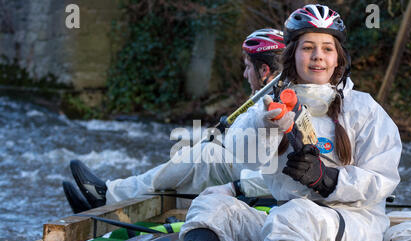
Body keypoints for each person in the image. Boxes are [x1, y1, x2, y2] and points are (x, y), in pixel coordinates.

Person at [110, 4, 402, 241]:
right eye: (308, 48)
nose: (317, 57)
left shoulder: (365, 110)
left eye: (327, 48)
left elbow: (384, 178)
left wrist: (328, 179)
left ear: (338, 57)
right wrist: (267, 126)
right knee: (215, 203)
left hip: (353, 227)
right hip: (288, 221)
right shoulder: (272, 105)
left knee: (296, 214)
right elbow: (241, 156)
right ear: (292, 55)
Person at [63, 28, 286, 213]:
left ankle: (108, 196)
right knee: (189, 174)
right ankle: (111, 210)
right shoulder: (266, 94)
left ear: (265, 70)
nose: (245, 75)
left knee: (204, 155)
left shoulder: (280, 99)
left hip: (256, 179)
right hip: (245, 168)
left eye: (248, 67)